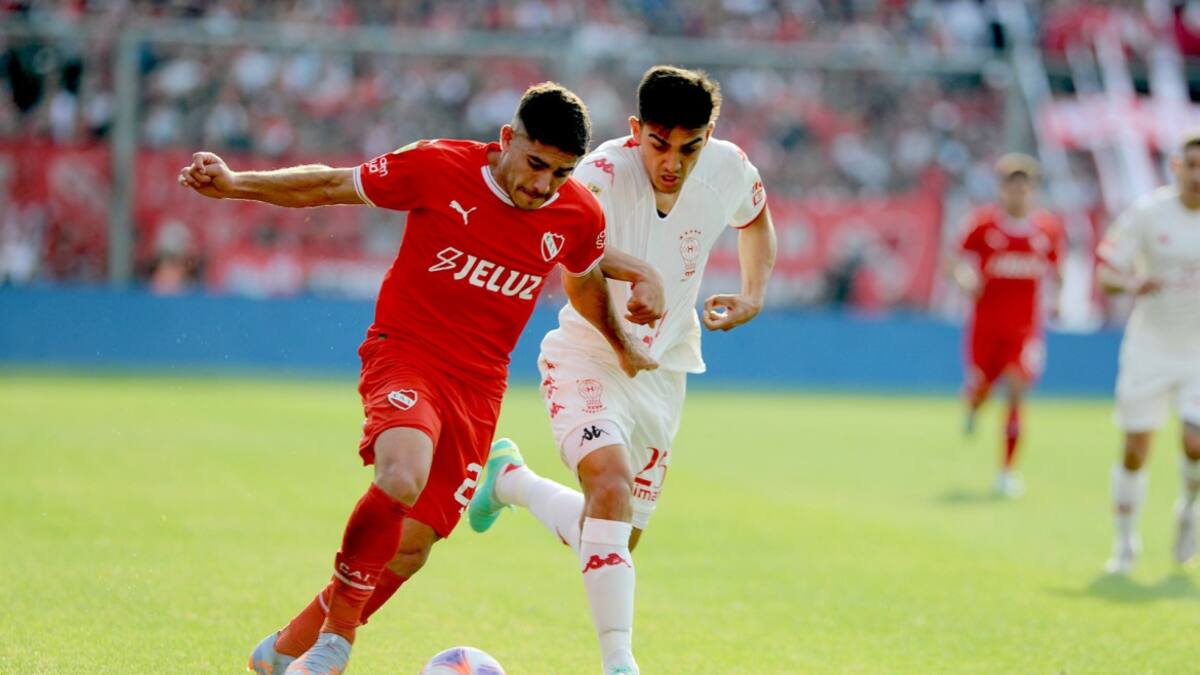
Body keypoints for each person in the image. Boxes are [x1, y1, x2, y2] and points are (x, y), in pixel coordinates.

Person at [177, 82, 663, 675]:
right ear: (507, 139)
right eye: (535, 164)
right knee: (401, 474)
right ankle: (335, 641)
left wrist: (625, 341)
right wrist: (235, 183)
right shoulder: (438, 165)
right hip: (407, 353)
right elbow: (333, 183)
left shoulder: (577, 212)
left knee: (411, 546)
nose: (542, 185)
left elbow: (585, 274)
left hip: (479, 388)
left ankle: (283, 650)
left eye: (559, 174)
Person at [466, 65, 776, 675]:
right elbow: (575, 271)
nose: (673, 162)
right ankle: (620, 663)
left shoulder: (730, 168)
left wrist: (753, 294)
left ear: (709, 137)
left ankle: (512, 482)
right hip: (588, 351)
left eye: (690, 147)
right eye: (659, 144)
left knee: (612, 539)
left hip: (664, 370)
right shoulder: (600, 175)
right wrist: (631, 308)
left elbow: (756, 220)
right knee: (608, 486)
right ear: (636, 130)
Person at [1096, 131, 1200, 574]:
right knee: (1137, 447)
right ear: (1176, 167)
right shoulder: (1147, 213)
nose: (1198, 176)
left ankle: (1188, 513)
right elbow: (1106, 274)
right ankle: (1125, 544)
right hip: (1151, 345)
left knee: (1195, 444)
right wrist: (1133, 283)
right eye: (1191, 166)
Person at [947, 153, 1063, 498]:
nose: (1017, 194)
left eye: (1023, 188)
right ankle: (972, 405)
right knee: (981, 389)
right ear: (1001, 190)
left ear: (1032, 190)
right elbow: (953, 260)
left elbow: (1057, 270)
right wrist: (965, 278)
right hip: (985, 328)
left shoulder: (1047, 229)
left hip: (1024, 330)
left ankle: (1007, 472)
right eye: (1011, 187)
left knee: (1015, 390)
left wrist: (1058, 298)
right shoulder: (983, 225)